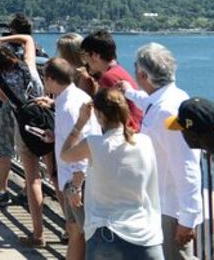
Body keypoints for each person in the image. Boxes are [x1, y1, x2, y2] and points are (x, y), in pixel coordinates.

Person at [61, 88, 164, 259]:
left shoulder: (94, 144)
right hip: (145, 233)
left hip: (105, 232)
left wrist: (80, 122)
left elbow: (66, 154)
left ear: (99, 115)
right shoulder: (145, 142)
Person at [121, 43, 202, 259]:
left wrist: (188, 219)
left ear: (143, 74)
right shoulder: (171, 98)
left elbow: (186, 165)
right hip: (161, 204)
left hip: (171, 209)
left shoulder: (166, 111)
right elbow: (148, 102)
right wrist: (129, 93)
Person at [0, 35, 47, 247]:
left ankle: (38, 234)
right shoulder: (28, 66)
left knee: (33, 180)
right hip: (47, 122)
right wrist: (2, 39)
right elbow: (27, 39)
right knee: (55, 176)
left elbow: (1, 97)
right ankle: (69, 230)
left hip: (24, 127)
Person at [38, 58, 100, 260]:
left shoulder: (68, 107)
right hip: (75, 177)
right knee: (74, 230)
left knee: (83, 232)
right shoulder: (74, 97)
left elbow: (80, 144)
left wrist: (75, 186)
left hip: (77, 179)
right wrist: (55, 136)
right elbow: (73, 137)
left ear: (51, 79)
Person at [81, 29, 143, 131]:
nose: (85, 61)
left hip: (127, 132)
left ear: (95, 55)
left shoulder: (108, 78)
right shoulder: (118, 71)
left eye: (85, 55)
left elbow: (108, 115)